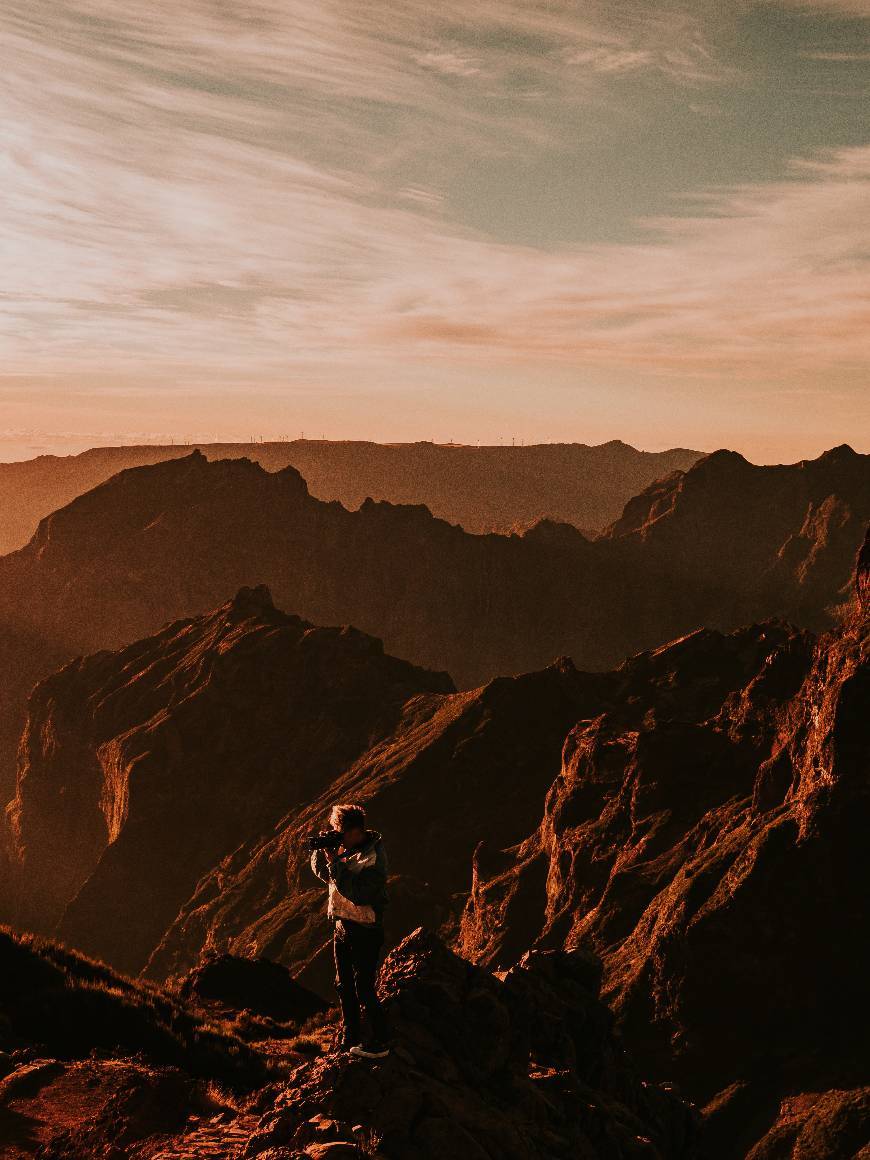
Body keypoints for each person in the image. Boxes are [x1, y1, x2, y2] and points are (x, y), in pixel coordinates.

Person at [310, 802, 390, 1058]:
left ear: (355, 831)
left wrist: (336, 861)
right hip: (342, 924)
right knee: (343, 985)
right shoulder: (348, 848)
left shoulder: (372, 857)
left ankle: (380, 1041)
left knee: (363, 987)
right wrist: (324, 852)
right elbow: (325, 874)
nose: (338, 836)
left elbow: (359, 894)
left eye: (340, 831)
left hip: (365, 928)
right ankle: (350, 1036)